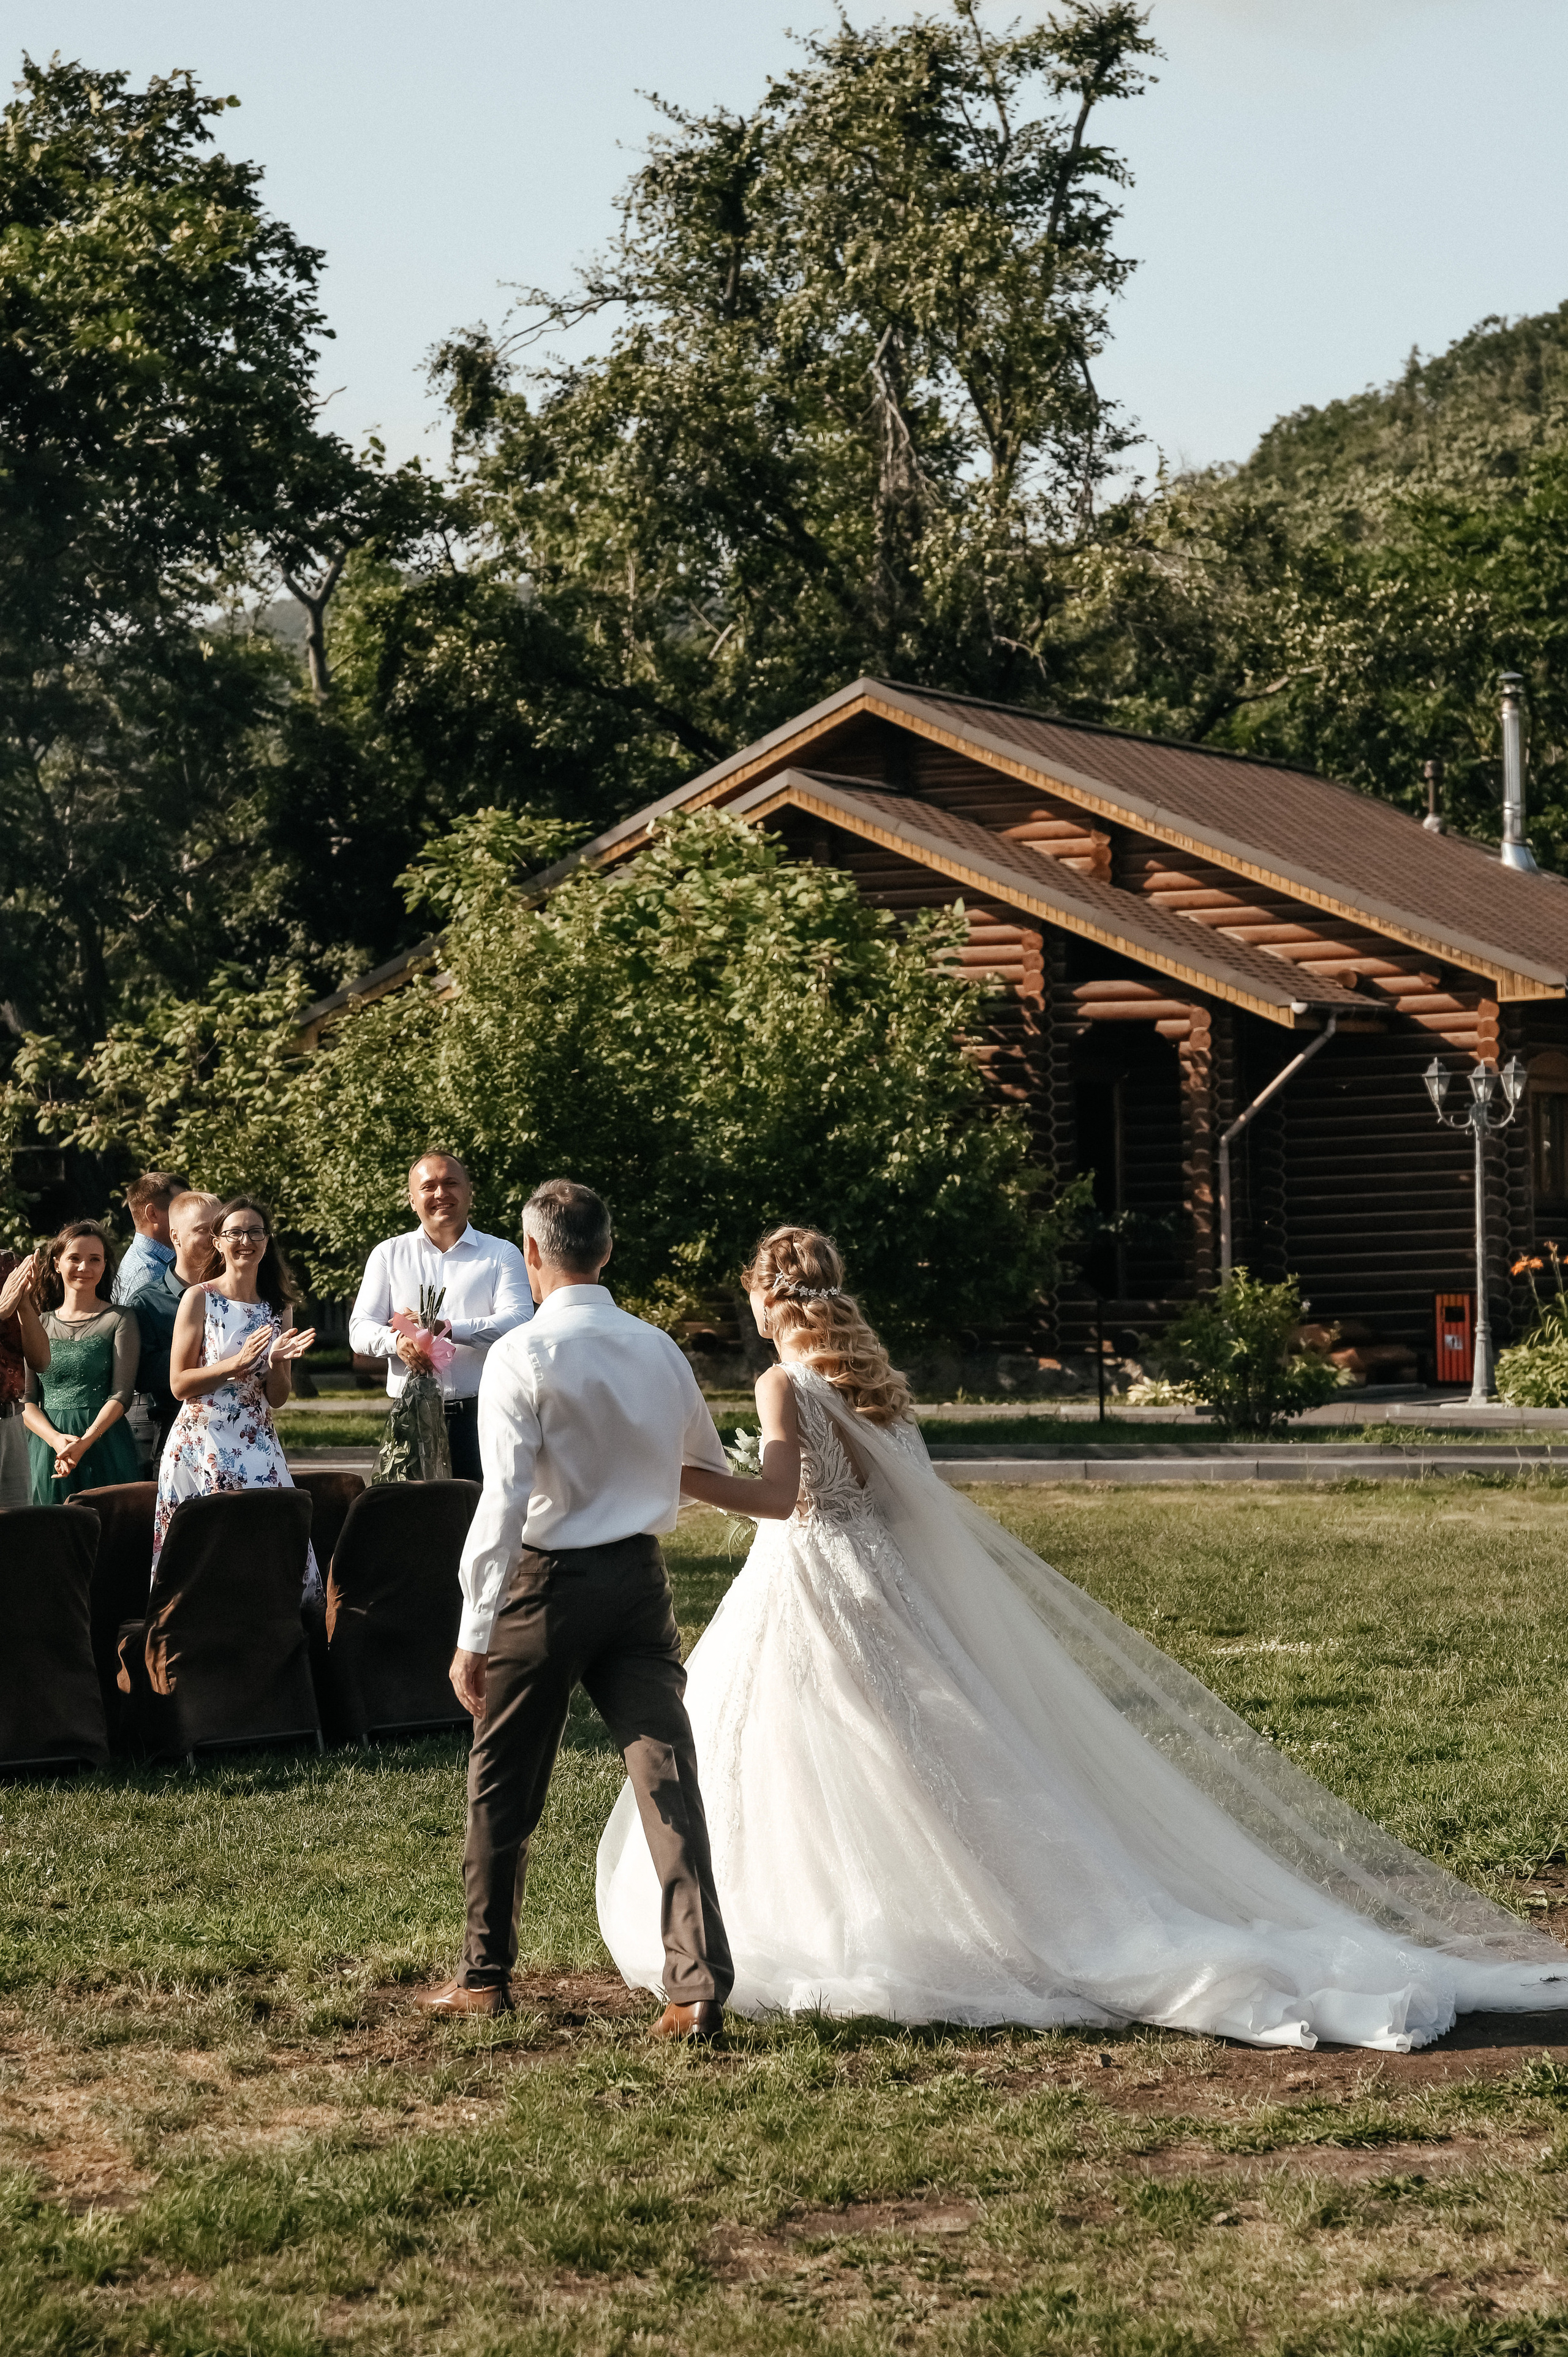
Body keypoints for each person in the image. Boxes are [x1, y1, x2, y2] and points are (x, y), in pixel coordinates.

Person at [598, 1224, 1568, 2054]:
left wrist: (672, 1476)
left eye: (754, 1301)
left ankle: (859, 1927)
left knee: (817, 1761)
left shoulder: (781, 1383)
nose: (755, 1317)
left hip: (814, 1586)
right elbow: (890, 1512)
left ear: (770, 1299)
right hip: (875, 1586)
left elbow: (775, 1500)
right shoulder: (869, 1383)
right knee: (906, 1763)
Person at [420, 1178, 734, 2038]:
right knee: (667, 1776)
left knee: (503, 1781)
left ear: (529, 1255)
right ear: (608, 1249)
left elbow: (503, 1504)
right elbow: (697, 1462)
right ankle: (696, 1982)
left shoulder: (524, 1355)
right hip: (639, 1583)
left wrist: (472, 1631)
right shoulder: (660, 1348)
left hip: (544, 1587)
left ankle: (484, 1975)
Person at [154, 1195, 318, 1585]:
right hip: (202, 1440)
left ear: (267, 1241)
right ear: (218, 1242)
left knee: (275, 1545)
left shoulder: (279, 1307)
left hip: (257, 1438)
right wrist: (236, 1362)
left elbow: (277, 1397)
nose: (246, 1241)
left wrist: (278, 1363)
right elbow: (179, 1384)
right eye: (235, 1233)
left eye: (255, 1232)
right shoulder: (200, 1298)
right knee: (208, 1554)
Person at [350, 1153, 532, 1482]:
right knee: (418, 1522)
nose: (440, 1194)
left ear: (469, 1191)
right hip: (412, 1416)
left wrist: (448, 1329)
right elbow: (359, 1329)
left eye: (451, 1183)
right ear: (412, 1200)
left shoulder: (501, 1253)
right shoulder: (389, 1255)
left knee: (479, 1519)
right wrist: (396, 1342)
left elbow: (519, 1321)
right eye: (428, 1186)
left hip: (482, 1416)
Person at [23, 1221, 143, 1502]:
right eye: (74, 1258)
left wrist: (85, 1442)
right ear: (57, 1264)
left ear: (104, 1267)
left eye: (94, 1260)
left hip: (104, 1444)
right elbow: (26, 1400)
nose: (84, 1267)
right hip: (47, 1448)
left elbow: (122, 1394)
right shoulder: (38, 1323)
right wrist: (56, 1441)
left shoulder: (121, 1319)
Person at [123, 1192, 221, 1460]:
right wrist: (217, 1359)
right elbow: (145, 1377)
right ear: (175, 1237)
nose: (215, 1239)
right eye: (203, 1230)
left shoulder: (237, 1296)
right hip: (175, 1436)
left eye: (220, 1229)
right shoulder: (148, 1302)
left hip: (235, 1430)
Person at [0, 1247, 51, 1508]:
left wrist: (24, 1304)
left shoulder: (7, 1265)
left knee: (18, 1535)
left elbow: (41, 1361)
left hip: (11, 1422)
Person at [111, 1171, 190, 1303]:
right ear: (153, 1214)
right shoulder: (149, 1272)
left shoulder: (154, 1264)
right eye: (181, 1208)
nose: (190, 1215)